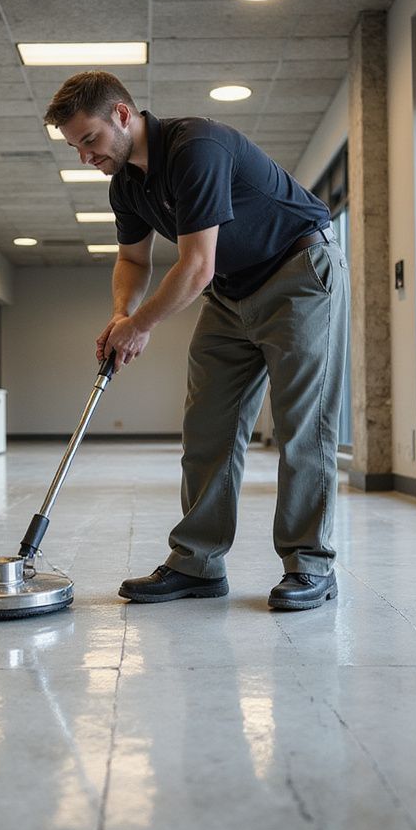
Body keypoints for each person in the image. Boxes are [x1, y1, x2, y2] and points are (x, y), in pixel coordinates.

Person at [44, 71, 348, 611]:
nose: (85, 156)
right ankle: (198, 563)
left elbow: (197, 264)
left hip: (299, 272)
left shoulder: (195, 147)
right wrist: (121, 315)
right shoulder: (126, 186)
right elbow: (133, 260)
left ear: (122, 115)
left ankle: (310, 565)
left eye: (89, 140)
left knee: (302, 423)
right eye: (75, 147)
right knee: (208, 424)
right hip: (232, 291)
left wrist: (141, 327)